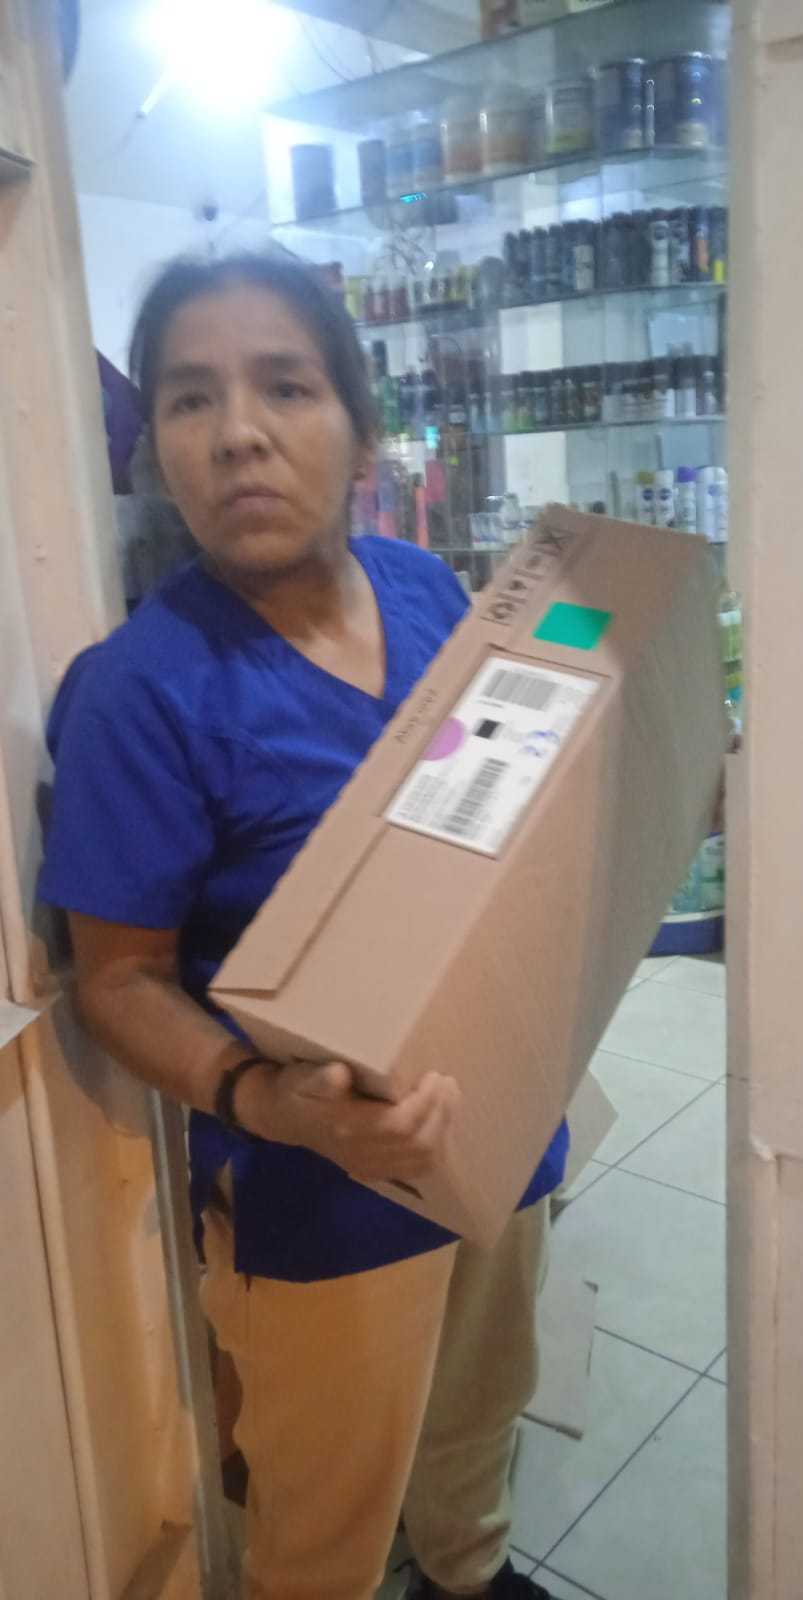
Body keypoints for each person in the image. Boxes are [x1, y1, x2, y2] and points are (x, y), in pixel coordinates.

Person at [38, 251, 567, 1600]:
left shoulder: (425, 590)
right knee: (325, 1520)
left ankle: (469, 1570)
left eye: (284, 386)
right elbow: (119, 980)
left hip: (501, 1117)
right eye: (190, 398)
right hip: (321, 1200)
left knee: (481, 1406)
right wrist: (271, 1102)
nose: (238, 434)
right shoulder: (141, 691)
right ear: (155, 448)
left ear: (360, 430)